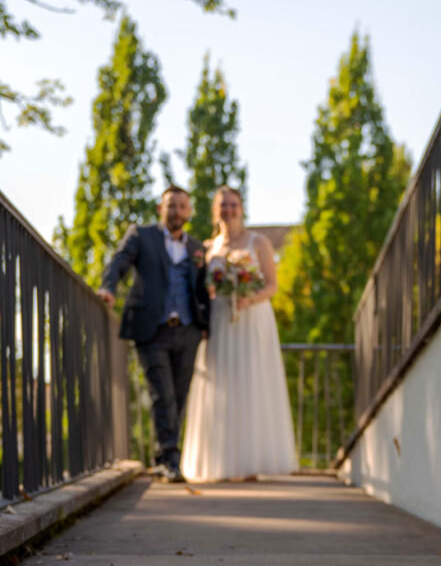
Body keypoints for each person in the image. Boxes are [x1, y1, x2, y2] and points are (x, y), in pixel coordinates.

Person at [181, 186, 296, 481]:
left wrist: (249, 298)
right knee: (220, 388)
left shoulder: (260, 243)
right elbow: (202, 289)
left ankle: (250, 463)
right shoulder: (208, 248)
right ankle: (219, 462)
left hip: (253, 319)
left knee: (252, 385)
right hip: (219, 320)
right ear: (215, 210)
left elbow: (272, 285)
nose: (228, 210)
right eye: (223, 205)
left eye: (233, 204)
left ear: (242, 208)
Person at [97, 185, 209, 482]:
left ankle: (165, 457)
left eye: (182, 206)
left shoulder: (197, 248)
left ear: (189, 212)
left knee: (180, 397)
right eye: (171, 205)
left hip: (188, 330)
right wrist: (109, 288)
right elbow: (119, 261)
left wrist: (206, 324)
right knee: (163, 395)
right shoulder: (141, 235)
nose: (176, 211)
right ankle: (170, 460)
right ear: (161, 208)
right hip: (152, 329)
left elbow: (203, 290)